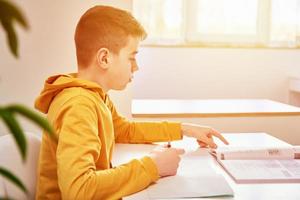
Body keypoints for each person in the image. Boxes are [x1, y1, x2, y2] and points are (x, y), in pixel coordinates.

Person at [34, 5, 229, 200]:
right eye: (131, 58)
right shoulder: (79, 106)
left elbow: (123, 130)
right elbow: (79, 190)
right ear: (104, 58)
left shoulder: (93, 96)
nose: (136, 67)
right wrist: (153, 166)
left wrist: (183, 129)